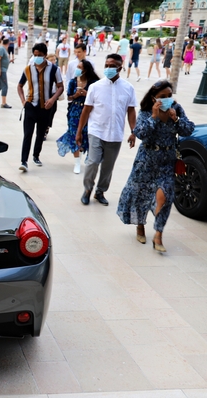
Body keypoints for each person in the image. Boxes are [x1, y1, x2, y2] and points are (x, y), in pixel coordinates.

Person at [117, 80, 194, 253]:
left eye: (169, 96)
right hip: (146, 160)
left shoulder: (177, 109)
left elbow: (188, 129)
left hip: (167, 161)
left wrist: (177, 119)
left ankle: (158, 234)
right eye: (162, 97)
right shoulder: (146, 111)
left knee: (164, 196)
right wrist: (154, 116)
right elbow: (141, 133)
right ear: (154, 98)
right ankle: (140, 226)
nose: (167, 100)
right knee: (140, 194)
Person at [77, 53, 137, 206]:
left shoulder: (128, 88)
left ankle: (100, 192)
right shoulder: (95, 87)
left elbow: (131, 111)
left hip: (115, 133)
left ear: (120, 67)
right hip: (96, 131)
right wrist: (79, 132)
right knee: (92, 162)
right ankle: (87, 190)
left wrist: (133, 131)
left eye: (112, 66)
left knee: (108, 167)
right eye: (107, 65)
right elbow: (86, 110)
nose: (109, 68)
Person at [16, 43, 64, 172]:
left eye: (40, 55)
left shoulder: (54, 69)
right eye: (35, 55)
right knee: (28, 134)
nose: (37, 57)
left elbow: (60, 86)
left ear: (45, 55)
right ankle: (23, 161)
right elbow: (19, 86)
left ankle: (36, 155)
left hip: (46, 106)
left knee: (40, 133)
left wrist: (53, 99)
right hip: (31, 105)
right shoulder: (28, 69)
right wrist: (23, 101)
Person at [56, 59, 100, 174]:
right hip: (74, 111)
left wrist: (86, 94)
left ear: (86, 70)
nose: (78, 69)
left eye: (80, 67)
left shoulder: (94, 83)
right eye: (78, 67)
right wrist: (76, 95)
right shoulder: (72, 82)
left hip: (88, 111)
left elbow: (99, 98)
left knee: (86, 134)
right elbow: (69, 97)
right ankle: (77, 162)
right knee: (75, 134)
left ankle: (86, 157)